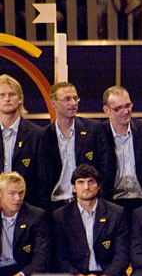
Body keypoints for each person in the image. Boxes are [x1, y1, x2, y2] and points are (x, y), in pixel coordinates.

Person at [54, 164, 135, 276]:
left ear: (99, 186)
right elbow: (59, 257)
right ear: (73, 187)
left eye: (91, 182)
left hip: (108, 273)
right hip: (75, 275)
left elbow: (122, 255)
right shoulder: (60, 216)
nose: (86, 187)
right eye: (81, 182)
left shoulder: (116, 213)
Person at [38, 82, 112, 211]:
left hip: (89, 203)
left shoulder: (93, 129)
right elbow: (41, 176)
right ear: (53, 103)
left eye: (75, 98)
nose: (73, 103)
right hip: (56, 206)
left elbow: (105, 167)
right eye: (67, 99)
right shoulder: (44, 135)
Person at [101, 85, 142, 222]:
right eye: (118, 108)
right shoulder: (98, 134)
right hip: (111, 205)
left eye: (128, 105)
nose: (125, 111)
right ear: (106, 110)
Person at [0, 75, 44, 207]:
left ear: (20, 98)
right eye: (1, 95)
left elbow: (43, 180)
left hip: (28, 206)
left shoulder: (37, 134)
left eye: (11, 94)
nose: (7, 99)